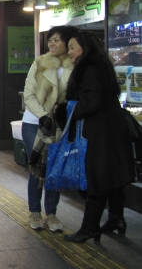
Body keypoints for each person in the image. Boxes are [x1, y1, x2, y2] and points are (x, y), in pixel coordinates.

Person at [58, 31, 136, 243]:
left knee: (96, 179)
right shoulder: (102, 66)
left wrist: (66, 111)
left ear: (85, 48)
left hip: (99, 134)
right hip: (112, 131)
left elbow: (90, 104)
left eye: (73, 47)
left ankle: (90, 227)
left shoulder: (89, 68)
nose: (70, 51)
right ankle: (116, 219)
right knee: (112, 177)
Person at [21, 25, 79, 232]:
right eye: (50, 40)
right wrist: (45, 115)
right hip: (33, 122)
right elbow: (28, 95)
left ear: (68, 43)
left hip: (59, 125)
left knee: (54, 168)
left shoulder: (75, 67)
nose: (52, 44)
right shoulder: (39, 64)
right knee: (36, 169)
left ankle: (52, 213)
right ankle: (35, 211)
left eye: (57, 40)